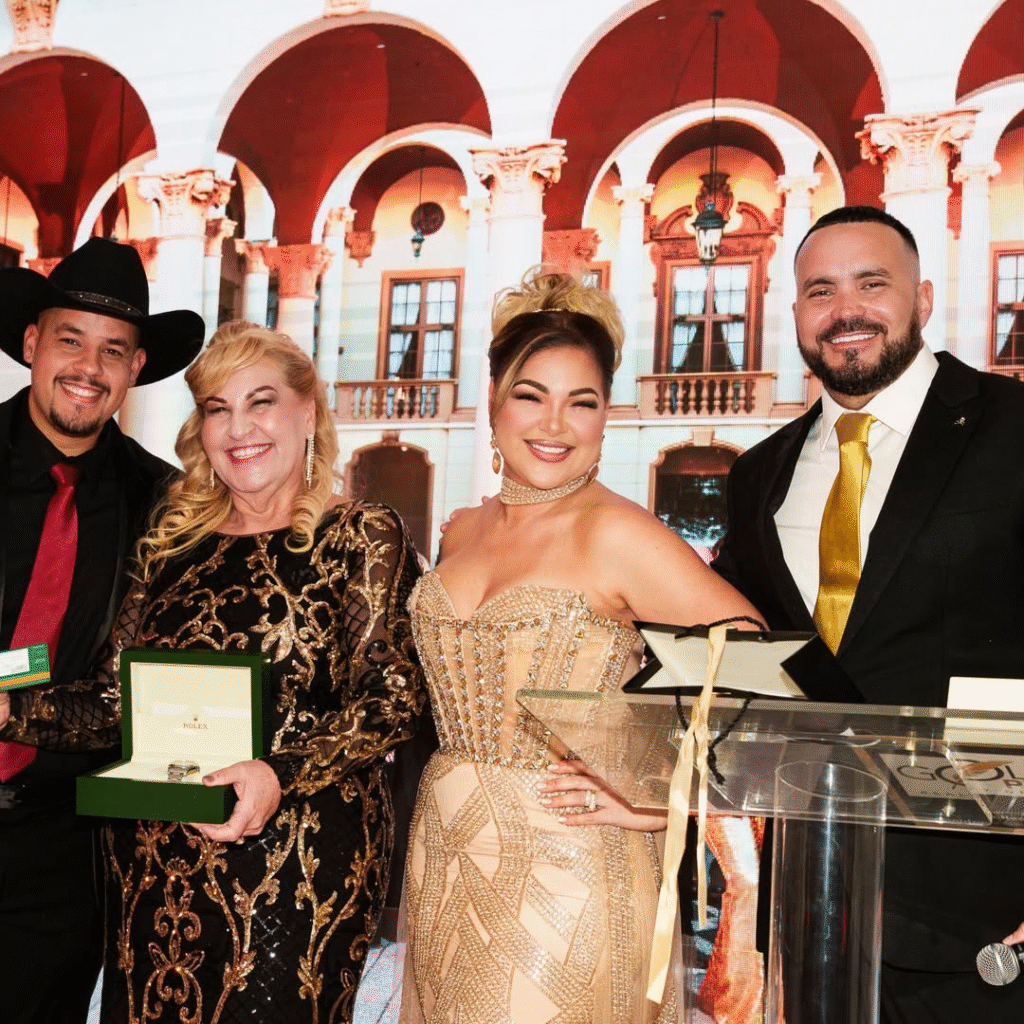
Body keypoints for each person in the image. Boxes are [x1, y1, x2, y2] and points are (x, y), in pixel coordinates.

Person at [0, 321, 427, 1023]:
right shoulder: (170, 542)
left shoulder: (360, 535)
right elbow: (113, 702)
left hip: (295, 868)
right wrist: (13, 711)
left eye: (261, 402)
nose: (239, 428)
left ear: (308, 411)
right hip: (151, 870)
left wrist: (278, 773)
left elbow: (393, 697)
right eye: (217, 408)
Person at [398, 269, 764, 1024]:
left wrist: (662, 796)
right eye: (531, 396)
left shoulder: (618, 532)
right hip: (443, 851)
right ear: (494, 401)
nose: (555, 424)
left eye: (583, 402)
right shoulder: (462, 530)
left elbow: (755, 660)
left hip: (569, 872)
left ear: (605, 416)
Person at [712, 205, 1024, 1023]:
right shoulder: (759, 474)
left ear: (923, 298)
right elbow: (736, 646)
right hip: (811, 896)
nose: (845, 310)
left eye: (871, 284)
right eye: (821, 291)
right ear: (796, 314)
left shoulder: (1013, 428)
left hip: (987, 909)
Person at [0, 237, 204, 1024]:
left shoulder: (164, 508)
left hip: (60, 848)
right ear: (31, 343)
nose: (89, 367)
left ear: (136, 367)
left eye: (113, 350)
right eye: (70, 340)